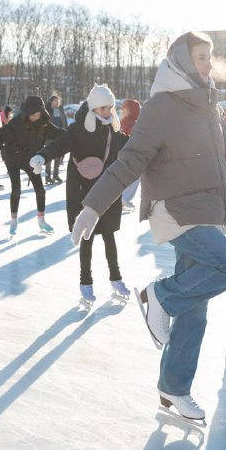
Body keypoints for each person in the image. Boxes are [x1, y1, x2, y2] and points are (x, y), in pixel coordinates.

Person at [59, 32, 226, 422]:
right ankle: (158, 297)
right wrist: (92, 206)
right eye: (200, 56)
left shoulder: (209, 105)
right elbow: (129, 162)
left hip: (209, 210)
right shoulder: (161, 107)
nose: (208, 63)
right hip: (176, 212)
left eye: (210, 56)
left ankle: (173, 389)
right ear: (181, 61)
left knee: (195, 311)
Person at [34, 85, 130, 306]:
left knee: (109, 235)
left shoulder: (114, 130)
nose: (107, 111)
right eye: (102, 107)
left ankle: (116, 279)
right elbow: (60, 145)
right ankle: (85, 282)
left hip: (108, 191)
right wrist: (42, 155)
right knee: (86, 237)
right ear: (93, 107)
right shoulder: (78, 129)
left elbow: (132, 146)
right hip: (83, 192)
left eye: (110, 107)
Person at [0, 95, 63, 236]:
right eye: (33, 115)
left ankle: (41, 220)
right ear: (27, 113)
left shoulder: (43, 124)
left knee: (40, 190)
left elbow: (60, 134)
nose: (36, 117)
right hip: (13, 158)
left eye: (39, 114)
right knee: (16, 190)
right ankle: (14, 220)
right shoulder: (16, 124)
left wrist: (74, 136)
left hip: (31, 159)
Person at [119, 98, 142, 211]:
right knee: (135, 177)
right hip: (132, 155)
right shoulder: (134, 123)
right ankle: (125, 198)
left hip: (121, 153)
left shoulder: (122, 120)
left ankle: (123, 198)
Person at [45, 93, 68, 184]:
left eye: (58, 100)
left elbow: (65, 123)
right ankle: (47, 176)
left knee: (58, 156)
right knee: (49, 156)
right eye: (55, 100)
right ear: (51, 102)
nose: (57, 102)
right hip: (50, 137)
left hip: (60, 137)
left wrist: (66, 132)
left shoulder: (61, 110)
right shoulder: (48, 111)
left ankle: (55, 175)